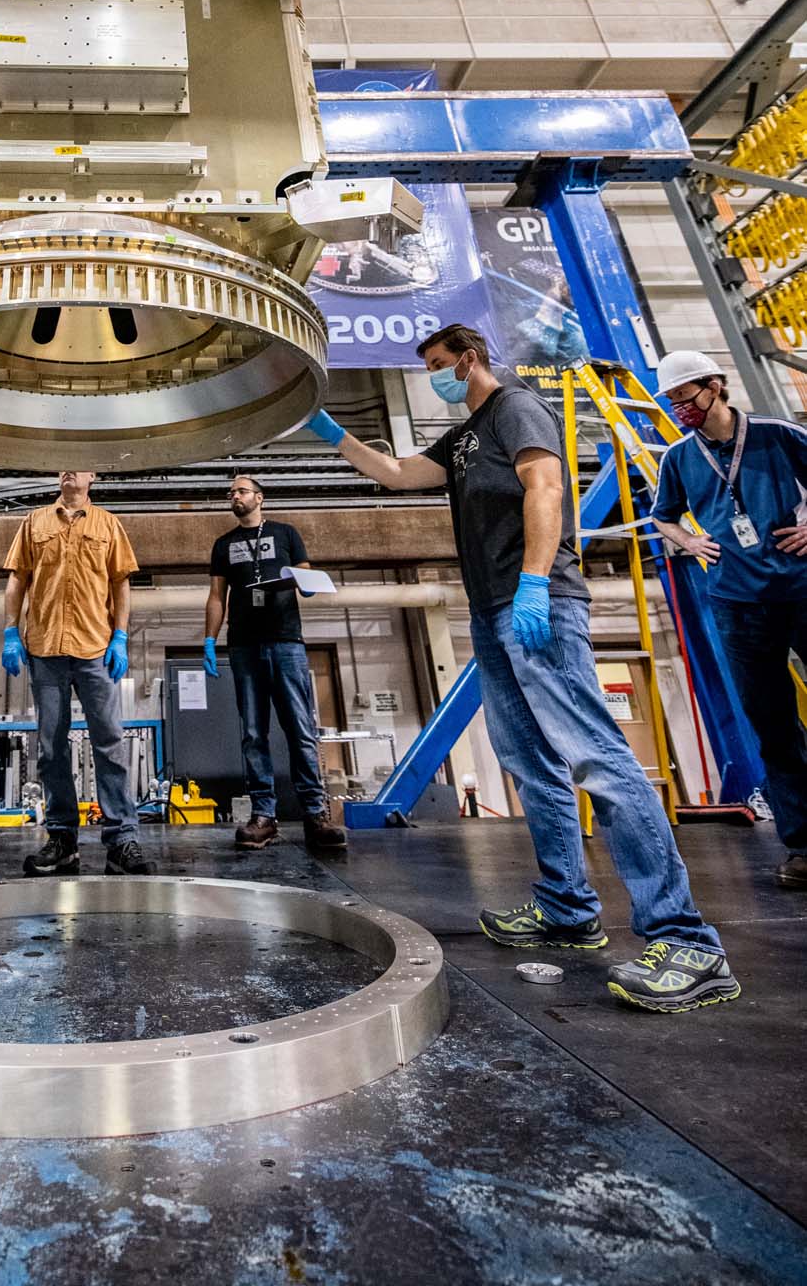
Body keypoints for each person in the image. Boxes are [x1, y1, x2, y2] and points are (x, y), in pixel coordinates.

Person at [306, 322, 739, 1015]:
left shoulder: (514, 407)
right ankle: (568, 909)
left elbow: (544, 486)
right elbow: (396, 474)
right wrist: (331, 433)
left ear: (470, 358)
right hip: (490, 609)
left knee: (595, 758)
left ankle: (687, 942)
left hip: (533, 600)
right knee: (530, 762)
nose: (435, 379)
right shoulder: (466, 433)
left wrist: (536, 580)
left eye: (440, 365)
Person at [650, 349, 807, 891]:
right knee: (773, 725)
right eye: (671, 403)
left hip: (802, 589)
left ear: (714, 386)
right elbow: (662, 517)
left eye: (685, 398)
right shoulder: (678, 459)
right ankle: (804, 845)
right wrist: (689, 540)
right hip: (737, 605)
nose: (679, 410)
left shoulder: (776, 433)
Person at [2, 471, 153, 877]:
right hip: (45, 648)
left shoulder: (108, 523)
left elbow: (121, 583)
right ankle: (62, 839)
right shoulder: (34, 522)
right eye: (63, 463)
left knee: (110, 743)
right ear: (57, 475)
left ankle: (122, 839)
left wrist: (120, 636)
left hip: (95, 649)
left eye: (80, 463)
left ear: (93, 476)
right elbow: (18, 578)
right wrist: (9, 631)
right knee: (51, 747)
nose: (70, 469)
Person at [204, 475, 346, 856]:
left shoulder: (286, 533)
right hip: (244, 647)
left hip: (286, 643)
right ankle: (263, 815)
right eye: (231, 492)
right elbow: (217, 596)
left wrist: (306, 582)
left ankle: (316, 814)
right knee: (253, 732)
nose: (234, 496)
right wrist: (209, 639)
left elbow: (307, 576)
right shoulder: (224, 544)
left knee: (300, 729)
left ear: (259, 498)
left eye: (241, 491)